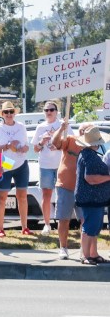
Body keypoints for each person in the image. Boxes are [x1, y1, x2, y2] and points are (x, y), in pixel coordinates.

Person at [31, 101, 69, 236]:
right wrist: (42, 142)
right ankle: (47, 224)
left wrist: (58, 146)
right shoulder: (40, 127)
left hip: (61, 165)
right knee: (46, 195)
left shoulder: (63, 125)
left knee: (62, 195)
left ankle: (61, 223)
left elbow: (71, 144)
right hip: (45, 165)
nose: (49, 112)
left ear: (56, 111)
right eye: (46, 110)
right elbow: (35, 149)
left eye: (51, 110)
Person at [51, 122, 89, 259]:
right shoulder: (70, 139)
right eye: (84, 130)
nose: (85, 133)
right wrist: (61, 129)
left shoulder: (92, 145)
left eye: (89, 130)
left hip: (84, 188)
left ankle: (84, 249)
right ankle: (63, 248)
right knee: (63, 219)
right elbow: (55, 143)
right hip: (65, 186)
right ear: (79, 131)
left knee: (85, 219)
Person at [73, 126, 110, 265]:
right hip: (90, 198)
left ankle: (93, 254)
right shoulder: (89, 156)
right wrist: (108, 177)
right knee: (89, 227)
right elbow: (90, 178)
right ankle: (86, 256)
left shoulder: (87, 154)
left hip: (94, 198)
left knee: (94, 227)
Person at [0, 101, 30, 237]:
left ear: (14, 113)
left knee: (22, 196)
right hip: (6, 163)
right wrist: (7, 145)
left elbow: (27, 145)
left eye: (11, 112)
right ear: (2, 114)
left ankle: (25, 227)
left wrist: (24, 148)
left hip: (21, 162)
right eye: (6, 112)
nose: (9, 114)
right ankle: (0, 229)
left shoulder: (21, 127)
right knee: (2, 197)